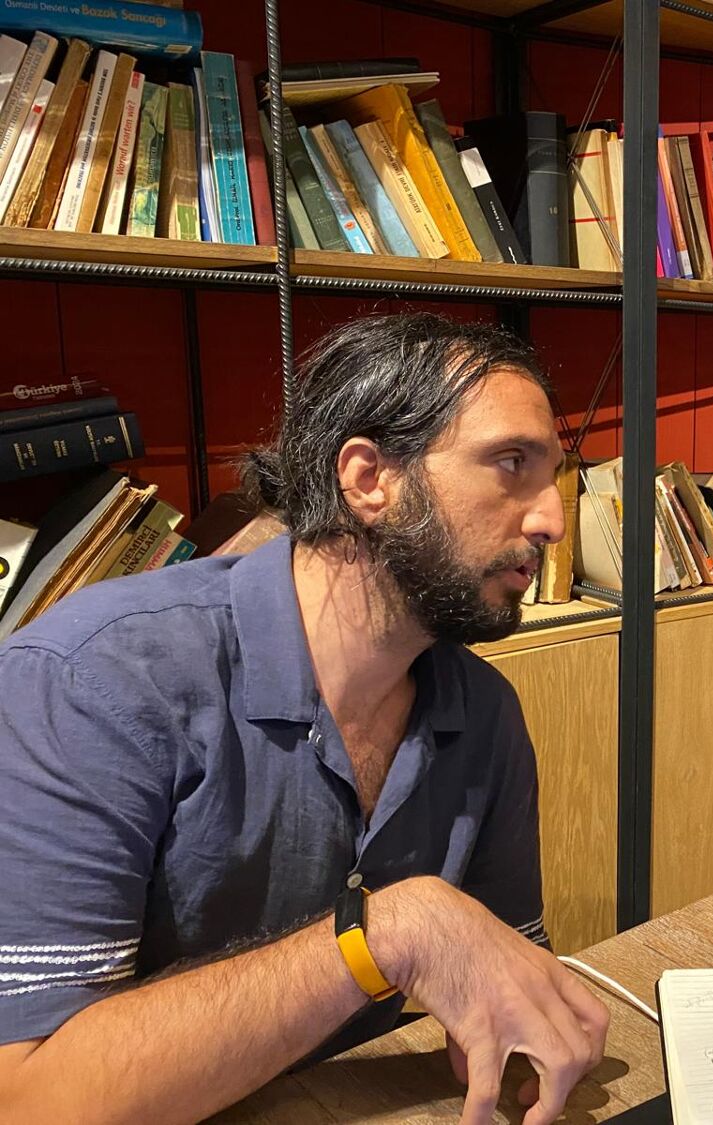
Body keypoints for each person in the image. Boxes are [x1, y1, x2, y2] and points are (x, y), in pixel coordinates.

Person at [0, 313, 608, 1125]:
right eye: (510, 464)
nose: (551, 520)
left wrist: (523, 1022)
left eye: (553, 477)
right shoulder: (91, 681)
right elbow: (29, 1097)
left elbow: (503, 988)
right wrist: (383, 933)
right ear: (367, 479)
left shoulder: (483, 710)